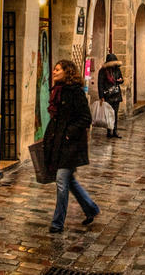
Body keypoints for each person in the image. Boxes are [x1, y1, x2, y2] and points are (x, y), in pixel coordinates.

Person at [44, 60, 99, 233]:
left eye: (57, 69)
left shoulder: (75, 92)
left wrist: (68, 133)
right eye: (54, 69)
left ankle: (57, 222)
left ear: (67, 72)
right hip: (57, 143)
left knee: (61, 181)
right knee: (69, 181)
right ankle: (90, 208)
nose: (54, 71)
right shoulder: (56, 91)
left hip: (70, 144)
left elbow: (86, 118)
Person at [98, 53, 124, 138]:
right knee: (109, 113)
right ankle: (109, 131)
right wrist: (101, 96)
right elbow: (100, 84)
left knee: (115, 113)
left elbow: (121, 79)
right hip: (108, 95)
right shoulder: (103, 71)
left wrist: (120, 80)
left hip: (116, 94)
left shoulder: (117, 69)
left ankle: (115, 131)